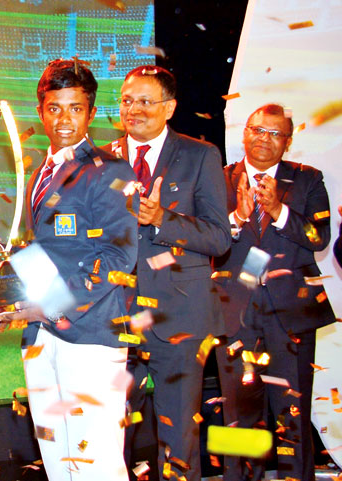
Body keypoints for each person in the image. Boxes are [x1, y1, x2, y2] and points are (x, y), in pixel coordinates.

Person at [0, 59, 139, 481]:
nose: (64, 119)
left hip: (90, 337)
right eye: (55, 108)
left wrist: (44, 307)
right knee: (57, 459)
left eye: (75, 108)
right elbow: (46, 252)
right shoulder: (40, 172)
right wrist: (2, 289)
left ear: (90, 113)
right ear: (41, 110)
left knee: (96, 462)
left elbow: (119, 257)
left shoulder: (111, 171)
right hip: (42, 338)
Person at [106, 65, 231, 481]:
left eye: (145, 101)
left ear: (169, 107)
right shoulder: (102, 159)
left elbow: (219, 238)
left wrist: (162, 219)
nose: (134, 110)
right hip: (112, 320)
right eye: (127, 101)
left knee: (178, 443)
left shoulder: (200, 155)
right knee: (106, 438)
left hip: (178, 319)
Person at [214, 104, 335, 481]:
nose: (264, 139)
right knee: (239, 414)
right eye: (257, 131)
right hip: (236, 312)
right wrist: (235, 220)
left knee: (291, 411)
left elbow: (320, 238)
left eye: (274, 134)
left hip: (291, 312)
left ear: (288, 141)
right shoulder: (217, 180)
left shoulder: (309, 180)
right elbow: (204, 245)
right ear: (244, 133)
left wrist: (279, 211)